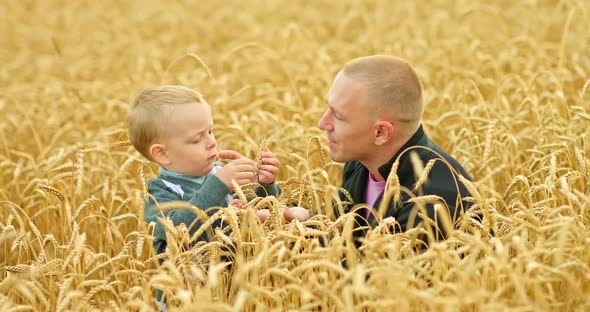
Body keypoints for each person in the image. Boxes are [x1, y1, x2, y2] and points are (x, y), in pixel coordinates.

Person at [317, 55, 473, 245]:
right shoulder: (360, 166)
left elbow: (368, 269)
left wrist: (306, 234)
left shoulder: (432, 204)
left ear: (381, 132)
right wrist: (280, 205)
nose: (322, 123)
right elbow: (341, 239)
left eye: (339, 116)